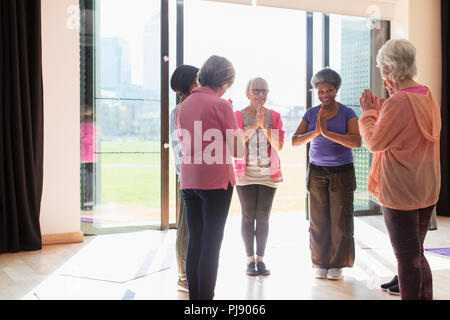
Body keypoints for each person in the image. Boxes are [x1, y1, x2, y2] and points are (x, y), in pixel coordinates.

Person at [359, 38, 441, 300]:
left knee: (406, 259)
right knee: (417, 254)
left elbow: (374, 142)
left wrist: (370, 114)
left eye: (383, 68)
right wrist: (386, 106)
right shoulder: (427, 94)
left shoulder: (398, 102)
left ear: (390, 68)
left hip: (401, 191)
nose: (383, 75)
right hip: (426, 186)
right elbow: (408, 131)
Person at [176, 55, 245, 300]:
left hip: (189, 180)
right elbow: (238, 150)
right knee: (211, 246)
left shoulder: (183, 105)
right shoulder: (222, 105)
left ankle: (196, 301)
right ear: (225, 81)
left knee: (195, 242)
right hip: (215, 182)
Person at [292, 68, 362, 281]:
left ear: (336, 89)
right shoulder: (311, 114)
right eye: (320, 91)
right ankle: (321, 262)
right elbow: (295, 140)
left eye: (329, 90)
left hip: (342, 171)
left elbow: (356, 142)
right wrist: (315, 132)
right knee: (318, 219)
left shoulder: (348, 113)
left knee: (340, 219)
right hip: (317, 171)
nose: (325, 95)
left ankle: (337, 263)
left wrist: (328, 133)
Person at [233, 77, 284, 277]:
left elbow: (279, 145)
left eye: (264, 91)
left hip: (267, 173)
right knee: (247, 215)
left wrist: (264, 126)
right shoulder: (237, 115)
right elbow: (235, 145)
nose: (260, 95)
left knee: (263, 216)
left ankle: (260, 259)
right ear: (247, 93)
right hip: (244, 173)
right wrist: (254, 125)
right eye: (256, 90)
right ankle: (249, 260)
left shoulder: (275, 116)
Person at [169, 64, 199, 293]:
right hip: (191, 176)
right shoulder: (185, 109)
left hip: (187, 175)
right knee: (187, 228)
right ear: (191, 82)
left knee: (188, 227)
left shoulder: (178, 109)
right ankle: (184, 276)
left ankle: (186, 275)